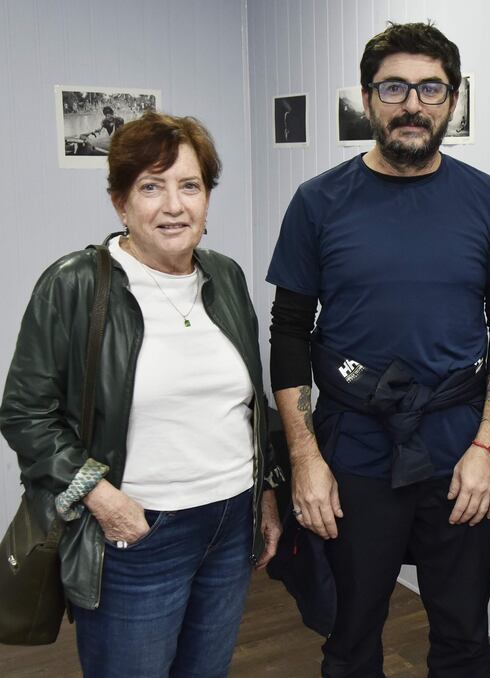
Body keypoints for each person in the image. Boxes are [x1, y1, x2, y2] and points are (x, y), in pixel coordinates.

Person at [267, 21, 490, 678]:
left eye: (430, 88)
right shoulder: (318, 202)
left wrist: (488, 449)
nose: (413, 104)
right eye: (395, 87)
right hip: (354, 449)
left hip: (459, 449)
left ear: (452, 99)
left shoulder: (488, 200)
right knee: (350, 637)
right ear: (367, 97)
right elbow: (290, 332)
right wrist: (305, 461)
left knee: (464, 638)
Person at [0, 111, 283, 678]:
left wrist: (266, 494)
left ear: (207, 197)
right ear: (120, 202)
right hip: (136, 530)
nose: (174, 206)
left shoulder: (224, 277)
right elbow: (25, 413)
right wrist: (103, 500)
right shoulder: (76, 283)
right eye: (151, 186)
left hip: (230, 521)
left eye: (190, 186)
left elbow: (250, 404)